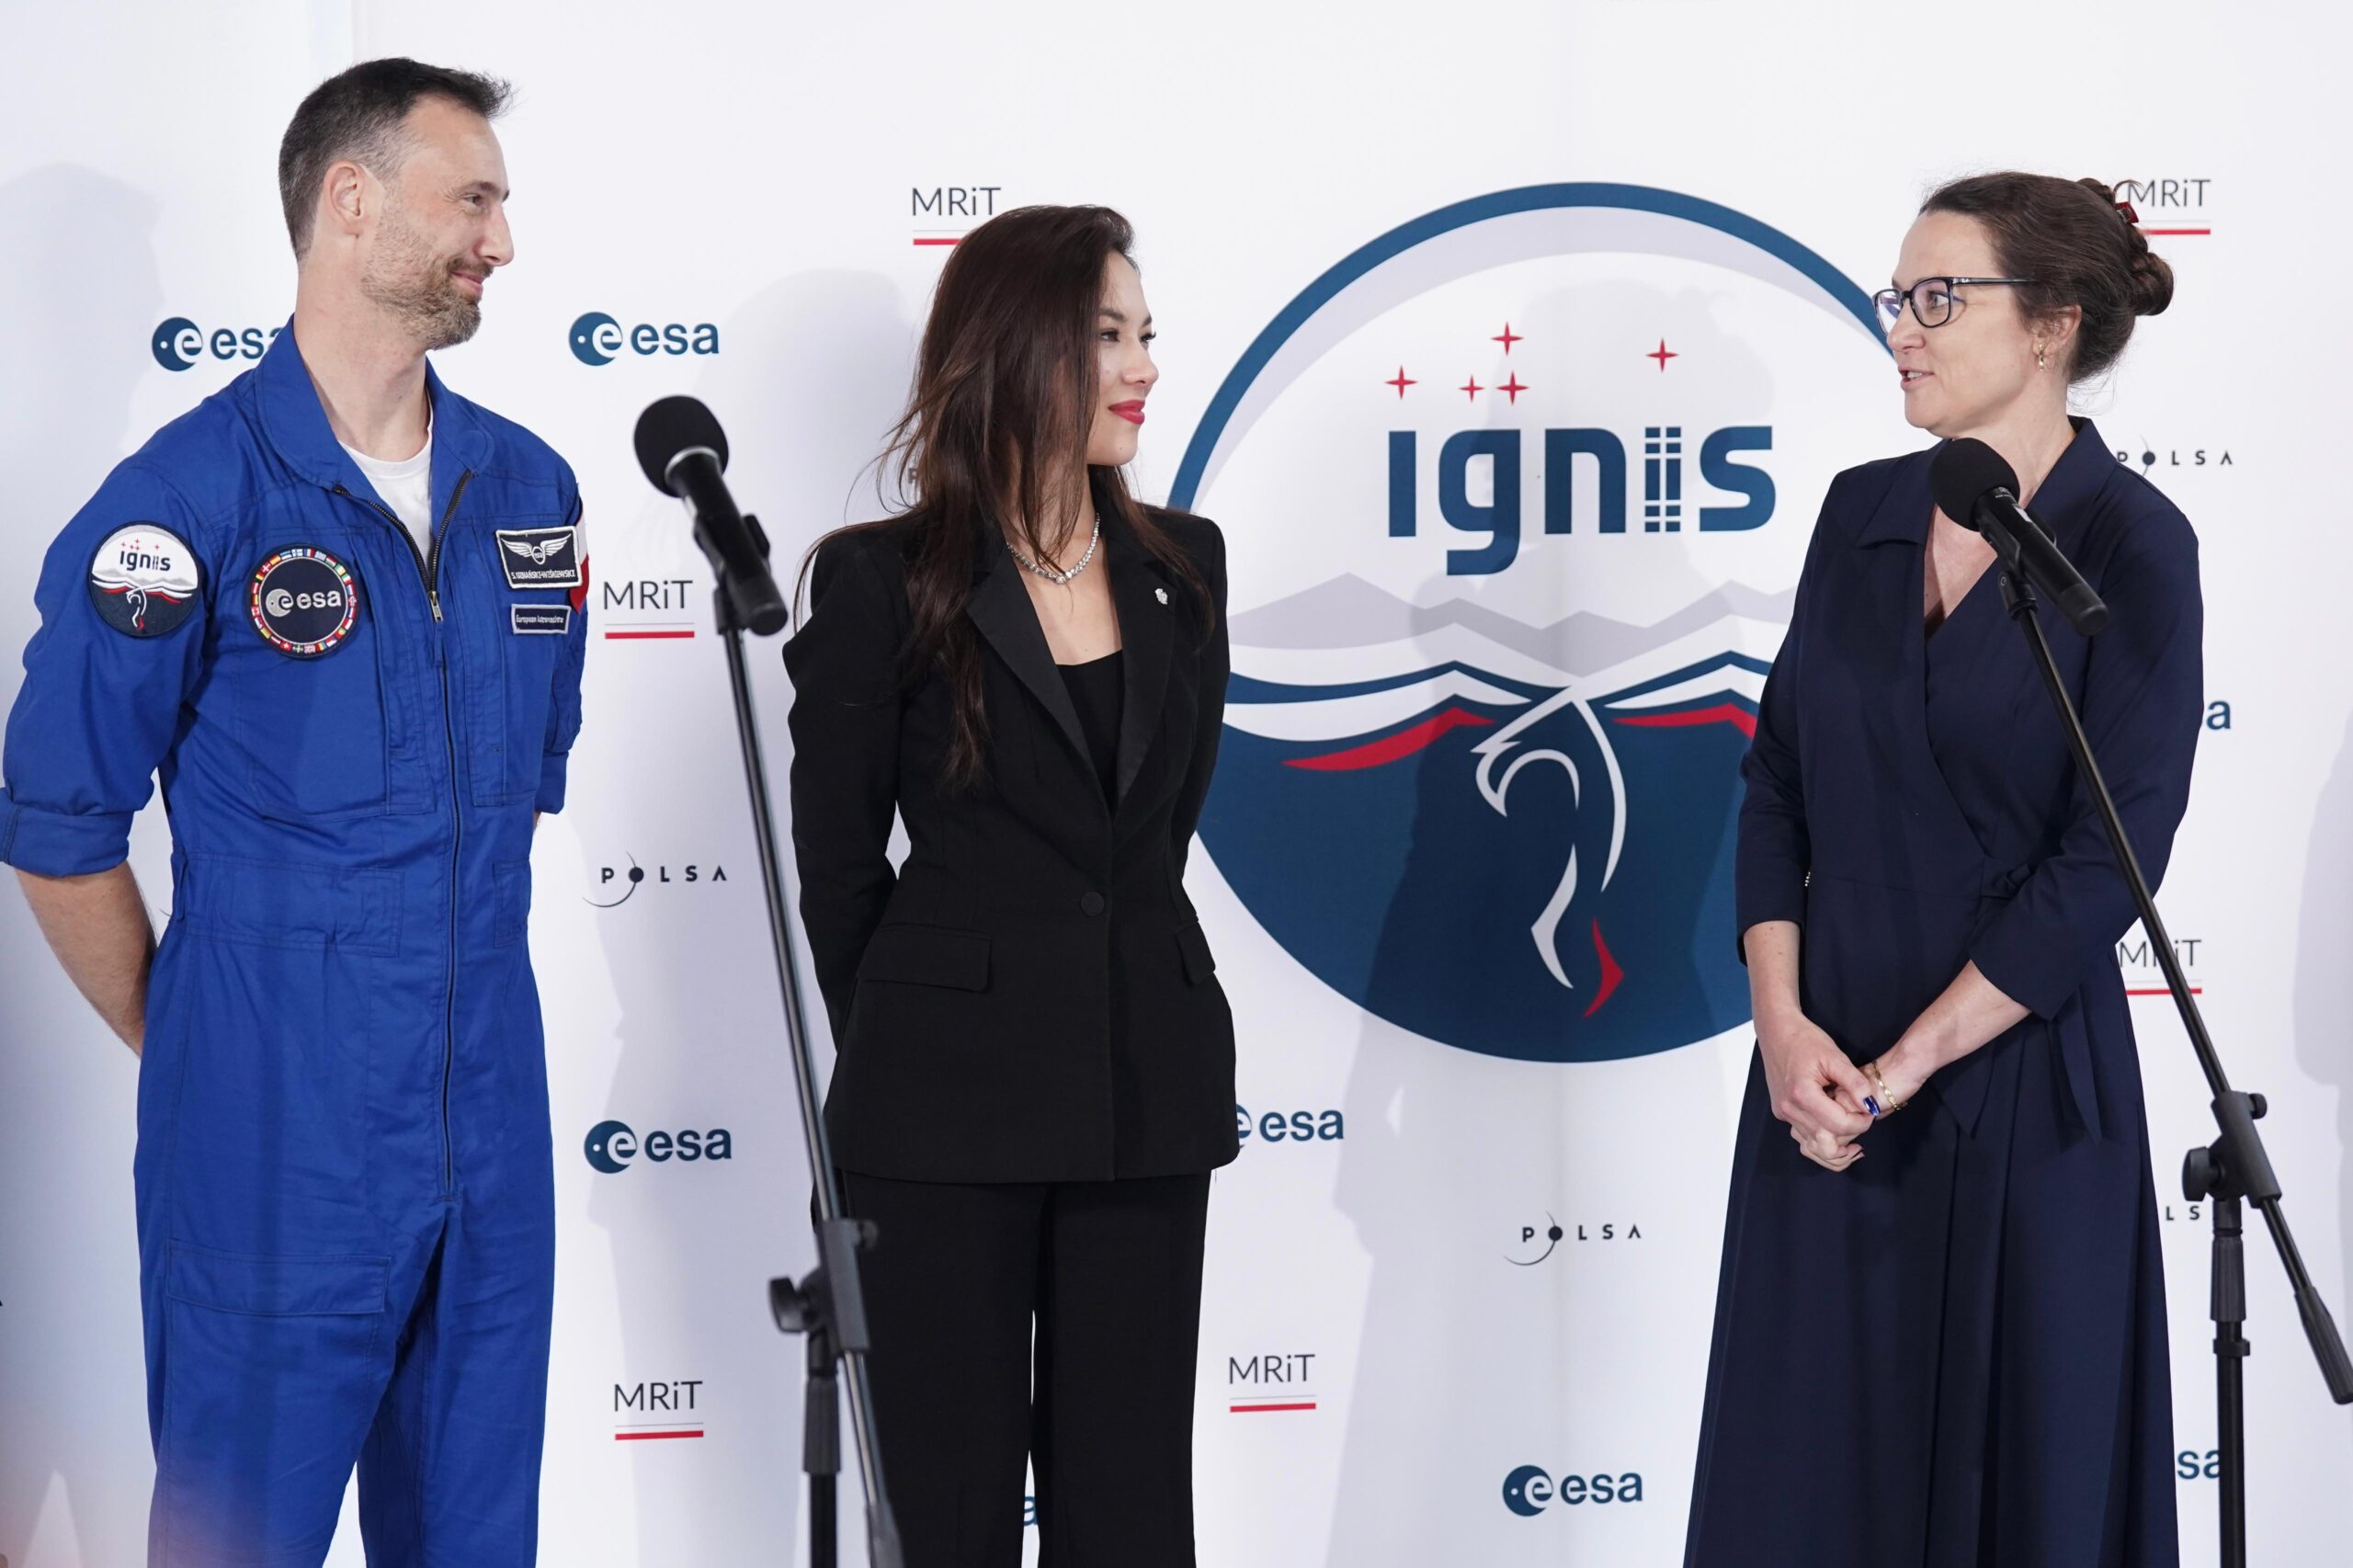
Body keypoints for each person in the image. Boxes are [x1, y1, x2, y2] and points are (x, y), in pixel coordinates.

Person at [0, 60, 585, 1565]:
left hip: (491, 1129)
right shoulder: (183, 501)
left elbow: (518, 795)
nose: (502, 242)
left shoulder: (532, 492)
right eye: (473, 199)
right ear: (351, 200)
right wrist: (201, 1032)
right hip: (272, 1152)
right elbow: (57, 819)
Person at [1686, 173, 2197, 1567]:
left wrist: (1908, 1063)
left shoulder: (2134, 542)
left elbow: (2112, 854)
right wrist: (1785, 1030)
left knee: (2017, 1485)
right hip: (1821, 1086)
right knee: (1809, 1482)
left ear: (2052, 324)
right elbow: (1778, 783)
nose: (1901, 329)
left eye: (1938, 298)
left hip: (2017, 1074)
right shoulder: (1858, 512)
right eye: (1897, 298)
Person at [784, 203, 1233, 1567]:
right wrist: (924, 1040)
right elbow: (837, 874)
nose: (1143, 366)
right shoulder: (881, 580)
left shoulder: (1188, 564)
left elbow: (1156, 839)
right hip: (939, 1120)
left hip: (1146, 1097)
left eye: (1146, 334)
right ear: (1017, 344)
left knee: (1132, 1512)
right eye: (1107, 335)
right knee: (945, 1513)